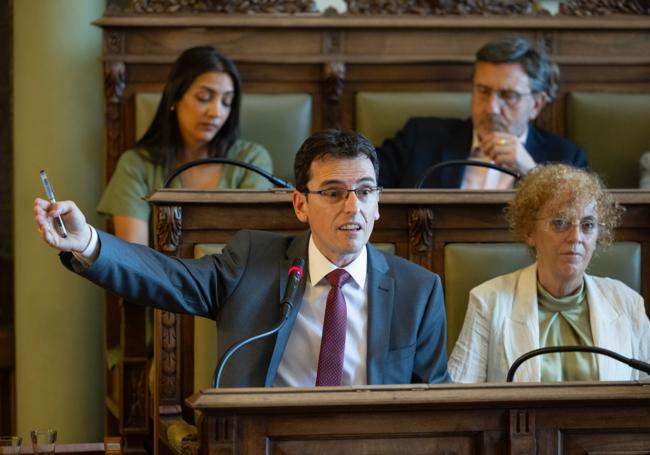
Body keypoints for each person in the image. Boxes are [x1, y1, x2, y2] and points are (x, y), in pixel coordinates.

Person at [34, 129, 451, 387]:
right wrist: (87, 240)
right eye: (334, 193)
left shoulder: (418, 289)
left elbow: (433, 405)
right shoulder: (255, 261)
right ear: (300, 205)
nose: (353, 207)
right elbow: (169, 277)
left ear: (378, 203)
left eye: (365, 191)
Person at [448, 164, 650, 383]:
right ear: (529, 232)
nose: (576, 237)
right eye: (560, 222)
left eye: (588, 225)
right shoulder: (489, 301)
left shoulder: (627, 303)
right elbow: (462, 401)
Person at [98, 46, 274, 245]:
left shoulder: (251, 159)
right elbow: (135, 258)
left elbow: (250, 249)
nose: (216, 112)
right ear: (175, 97)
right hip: (158, 276)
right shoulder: (137, 164)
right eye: (204, 98)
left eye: (226, 102)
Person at [378, 37, 587, 189]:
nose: (491, 108)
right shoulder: (420, 138)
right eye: (483, 91)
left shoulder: (566, 157)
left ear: (536, 105)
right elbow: (362, 181)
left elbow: (581, 219)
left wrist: (532, 172)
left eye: (508, 95)